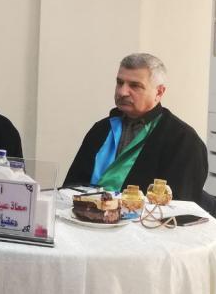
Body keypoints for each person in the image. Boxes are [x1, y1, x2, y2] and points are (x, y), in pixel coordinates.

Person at [63, 53, 208, 202]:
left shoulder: (183, 141)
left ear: (159, 92)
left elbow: (178, 207)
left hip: (143, 217)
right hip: (85, 214)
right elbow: (71, 187)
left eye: (135, 86)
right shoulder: (101, 129)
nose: (122, 92)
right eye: (120, 83)